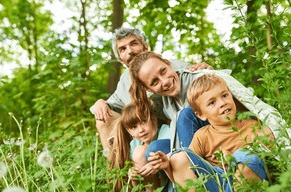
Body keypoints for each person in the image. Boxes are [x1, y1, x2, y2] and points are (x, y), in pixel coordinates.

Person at [148, 73, 276, 192]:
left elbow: (271, 167)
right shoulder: (202, 136)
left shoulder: (254, 127)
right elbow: (187, 178)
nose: (222, 103)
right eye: (212, 103)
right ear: (201, 115)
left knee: (245, 156)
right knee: (179, 157)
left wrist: (235, 161)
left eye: (225, 95)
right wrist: (168, 168)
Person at [128, 51, 291, 158]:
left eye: (163, 71)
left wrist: (266, 127)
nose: (164, 81)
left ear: (168, 64)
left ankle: (197, 179)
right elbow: (135, 117)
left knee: (185, 115)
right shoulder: (164, 102)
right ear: (148, 88)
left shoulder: (198, 79)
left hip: (226, 134)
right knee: (154, 150)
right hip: (200, 142)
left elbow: (245, 102)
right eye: (155, 82)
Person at [90, 27, 212, 157]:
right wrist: (100, 102)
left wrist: (206, 70)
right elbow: (112, 104)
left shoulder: (170, 66)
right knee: (103, 119)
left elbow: (199, 78)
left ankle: (188, 160)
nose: (130, 51)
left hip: (177, 127)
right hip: (145, 135)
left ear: (145, 45)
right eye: (123, 49)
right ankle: (115, 170)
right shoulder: (124, 82)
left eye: (133, 43)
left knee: (180, 121)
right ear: (120, 59)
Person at [108, 102, 171, 192]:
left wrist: (155, 164)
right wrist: (133, 173)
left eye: (143, 122)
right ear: (129, 132)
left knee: (141, 152)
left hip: (169, 188)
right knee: (135, 164)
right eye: (134, 127)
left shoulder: (166, 132)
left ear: (154, 119)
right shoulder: (135, 144)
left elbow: (176, 154)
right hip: (149, 190)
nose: (141, 130)